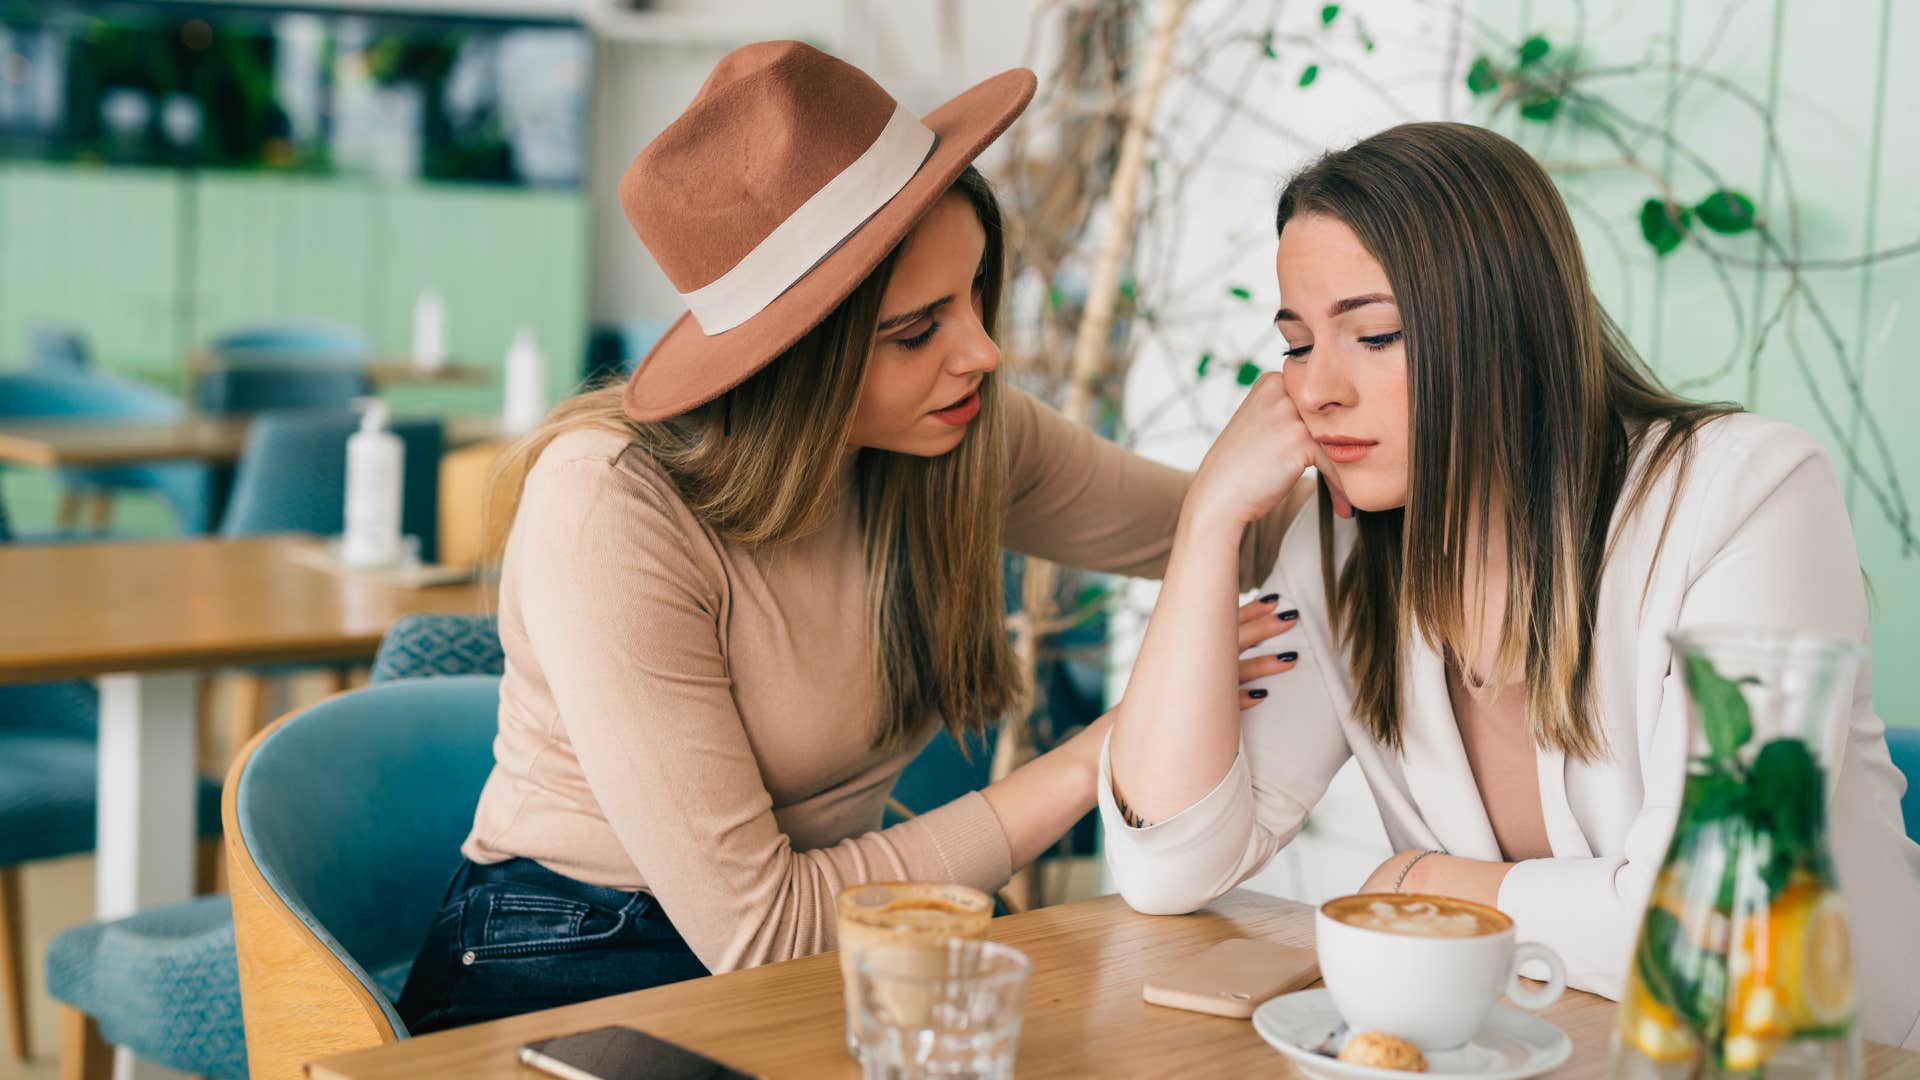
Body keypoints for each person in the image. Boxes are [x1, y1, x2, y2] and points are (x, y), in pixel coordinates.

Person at [395, 41, 1294, 1034]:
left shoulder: (962, 426)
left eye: (978, 293)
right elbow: (764, 929)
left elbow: (1246, 534)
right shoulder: (610, 508)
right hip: (569, 961)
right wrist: (1113, 751)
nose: (982, 352)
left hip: (822, 947)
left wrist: (1377, 449)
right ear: (793, 361)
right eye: (916, 331)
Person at [1099, 121, 1920, 1048]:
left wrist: (1421, 885)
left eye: (1373, 335)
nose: (1316, 390)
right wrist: (1210, 524)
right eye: (1295, 344)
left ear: (1505, 329)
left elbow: (1718, 927)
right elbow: (1168, 868)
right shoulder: (1335, 547)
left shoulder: (1745, 493)